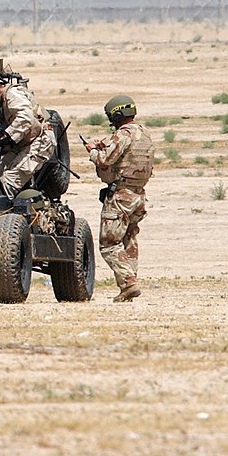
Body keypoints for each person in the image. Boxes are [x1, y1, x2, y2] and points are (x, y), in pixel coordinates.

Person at [85, 95, 155, 303]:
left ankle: (129, 283)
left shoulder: (123, 135)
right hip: (138, 195)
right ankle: (129, 285)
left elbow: (106, 160)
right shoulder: (144, 134)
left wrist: (92, 153)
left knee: (109, 243)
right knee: (129, 240)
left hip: (121, 196)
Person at [0, 78, 56, 198]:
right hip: (23, 144)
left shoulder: (13, 94)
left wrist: (8, 136)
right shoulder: (4, 102)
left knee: (9, 181)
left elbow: (25, 118)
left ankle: (1, 213)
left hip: (39, 142)